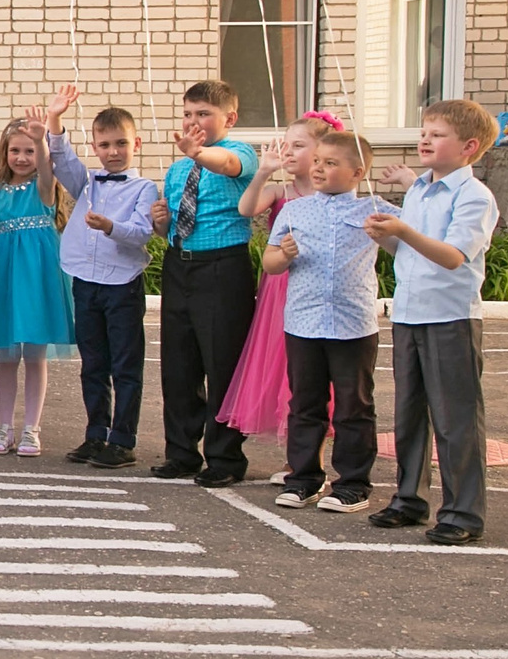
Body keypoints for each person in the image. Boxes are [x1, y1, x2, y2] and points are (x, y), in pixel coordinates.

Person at [368, 99, 502, 545]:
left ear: (468, 146)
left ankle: (463, 511)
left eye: (437, 134)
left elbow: (451, 257)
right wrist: (388, 238)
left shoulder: (474, 196)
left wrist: (403, 230)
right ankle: (410, 500)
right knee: (409, 415)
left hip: (450, 317)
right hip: (409, 313)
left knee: (454, 418)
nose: (425, 139)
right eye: (424, 131)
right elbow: (409, 253)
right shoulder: (420, 189)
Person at [262, 130, 397, 513]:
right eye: (317, 161)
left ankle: (353, 483)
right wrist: (283, 255)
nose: (319, 168)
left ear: (357, 173)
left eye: (331, 163)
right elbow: (270, 262)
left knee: (354, 406)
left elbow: (407, 237)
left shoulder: (373, 209)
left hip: (353, 324)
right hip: (303, 322)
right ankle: (304, 478)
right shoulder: (294, 209)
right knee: (305, 402)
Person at [43, 90, 164, 469]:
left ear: (136, 144)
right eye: (106, 144)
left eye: (122, 143)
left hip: (122, 283)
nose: (114, 151)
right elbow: (62, 162)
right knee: (92, 362)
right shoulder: (88, 182)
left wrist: (110, 226)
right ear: (95, 146)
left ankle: (123, 439)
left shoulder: (144, 188)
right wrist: (55, 120)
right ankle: (96, 434)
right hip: (86, 280)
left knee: (125, 363)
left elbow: (142, 233)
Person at [152, 81, 262, 486]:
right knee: (179, 364)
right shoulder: (180, 167)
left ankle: (225, 456)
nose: (193, 122)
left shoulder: (240, 153)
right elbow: (174, 225)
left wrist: (199, 151)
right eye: (188, 114)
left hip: (222, 267)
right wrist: (161, 224)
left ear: (228, 119)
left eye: (204, 115)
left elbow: (227, 166)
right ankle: (181, 451)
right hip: (180, 265)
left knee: (221, 361)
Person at [217, 113, 339, 456]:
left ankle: (311, 454)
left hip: (313, 285)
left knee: (312, 372)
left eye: (299, 145)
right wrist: (264, 170)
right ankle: (294, 456)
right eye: (286, 144)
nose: (289, 151)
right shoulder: (280, 191)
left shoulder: (331, 193)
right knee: (283, 368)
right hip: (278, 289)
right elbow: (246, 207)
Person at [0, 111, 75, 458]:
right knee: (6, 355)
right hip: (4, 272)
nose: (22, 158)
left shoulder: (45, 186)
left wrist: (42, 139)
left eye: (29, 151)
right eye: (15, 151)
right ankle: (4, 426)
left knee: (34, 354)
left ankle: (32, 428)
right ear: (4, 153)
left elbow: (47, 168)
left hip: (37, 273)